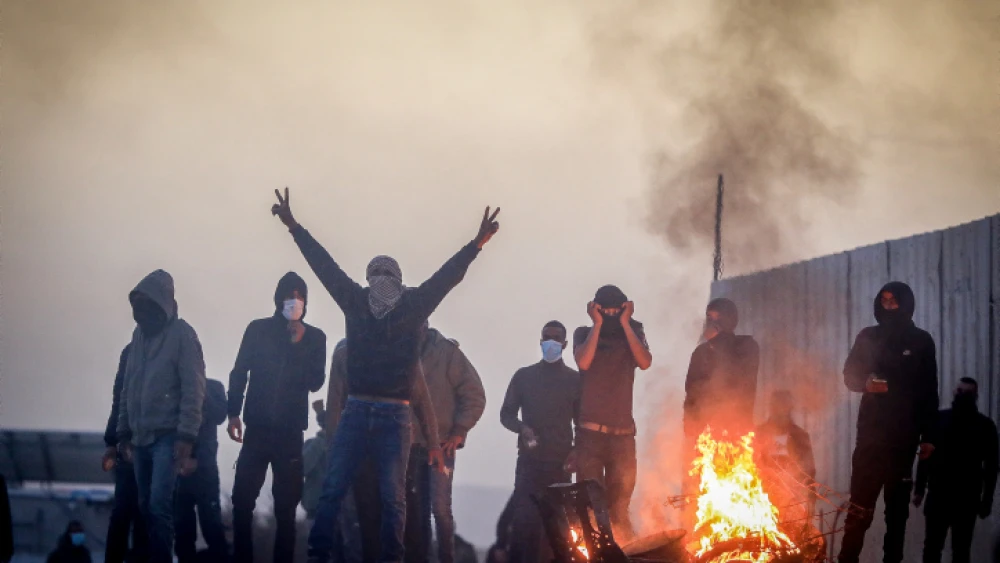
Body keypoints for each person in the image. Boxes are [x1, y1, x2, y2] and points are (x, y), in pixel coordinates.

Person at [269, 188, 500, 563]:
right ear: (368, 278)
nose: (380, 282)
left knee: (389, 497)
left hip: (392, 415)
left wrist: (476, 245)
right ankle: (320, 555)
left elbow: (446, 277)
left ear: (397, 279)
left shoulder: (393, 304)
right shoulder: (366, 301)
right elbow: (322, 264)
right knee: (340, 489)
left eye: (385, 276)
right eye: (375, 275)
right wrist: (294, 226)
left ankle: (383, 558)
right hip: (363, 412)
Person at [227, 271, 328, 563]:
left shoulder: (315, 338)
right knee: (242, 501)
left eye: (300, 296)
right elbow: (239, 371)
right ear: (278, 298)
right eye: (289, 295)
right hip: (257, 429)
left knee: (286, 509)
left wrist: (299, 345)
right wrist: (233, 412)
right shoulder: (258, 330)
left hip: (290, 433)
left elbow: (315, 382)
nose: (294, 301)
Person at [837, 281, 939, 563]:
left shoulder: (921, 341)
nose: (889, 305)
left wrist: (929, 437)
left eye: (894, 301)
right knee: (858, 512)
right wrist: (866, 383)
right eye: (884, 300)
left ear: (905, 303)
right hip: (869, 441)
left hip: (903, 442)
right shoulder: (867, 336)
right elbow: (849, 375)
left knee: (897, 517)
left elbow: (929, 391)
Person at [327, 338, 445, 563]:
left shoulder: (400, 350)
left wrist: (433, 443)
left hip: (393, 445)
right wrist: (334, 448)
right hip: (371, 445)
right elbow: (335, 402)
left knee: (396, 513)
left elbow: (421, 399)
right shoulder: (347, 351)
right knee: (375, 514)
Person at [117, 270, 206, 563]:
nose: (140, 310)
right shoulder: (138, 337)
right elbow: (129, 387)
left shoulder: (182, 334)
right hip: (139, 438)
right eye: (137, 304)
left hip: (168, 437)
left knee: (158, 506)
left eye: (146, 303)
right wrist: (123, 432)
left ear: (161, 302)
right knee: (145, 506)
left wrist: (187, 435)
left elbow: (194, 386)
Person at [572, 286, 652, 541]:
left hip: (623, 437)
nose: (609, 315)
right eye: (604, 310)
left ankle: (623, 551)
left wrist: (626, 323)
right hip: (590, 437)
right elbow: (583, 362)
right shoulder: (584, 333)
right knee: (591, 507)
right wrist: (597, 324)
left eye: (614, 310)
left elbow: (645, 361)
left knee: (620, 507)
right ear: (595, 309)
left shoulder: (633, 333)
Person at [404, 321, 487, 563]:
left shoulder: (447, 353)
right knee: (413, 511)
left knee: (440, 509)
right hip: (406, 445)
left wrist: (459, 430)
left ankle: (445, 559)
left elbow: (474, 394)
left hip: (441, 445)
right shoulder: (398, 349)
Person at [501, 321, 581, 563]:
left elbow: (582, 423)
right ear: (540, 341)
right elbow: (506, 414)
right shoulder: (524, 377)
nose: (551, 342)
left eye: (556, 338)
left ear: (564, 344)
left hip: (560, 465)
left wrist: (576, 451)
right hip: (529, 463)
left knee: (558, 529)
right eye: (547, 337)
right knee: (524, 524)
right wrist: (522, 428)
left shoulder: (575, 380)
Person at [914, 377, 999, 563]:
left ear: (975, 396)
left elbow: (992, 467)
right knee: (938, 549)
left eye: (967, 393)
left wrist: (987, 501)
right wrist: (919, 489)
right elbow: (925, 456)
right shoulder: (941, 420)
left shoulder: (984, 426)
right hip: (945, 496)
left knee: (955, 550)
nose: (963, 396)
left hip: (963, 498)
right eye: (961, 391)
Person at [683, 298, 760, 439]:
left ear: (729, 319)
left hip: (736, 428)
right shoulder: (700, 352)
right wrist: (689, 420)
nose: (713, 323)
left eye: (718, 317)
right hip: (705, 431)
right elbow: (692, 388)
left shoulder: (746, 346)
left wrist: (717, 340)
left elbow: (739, 376)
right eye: (709, 317)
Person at [174, 378, 229, 563]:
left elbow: (220, 415)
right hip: (178, 468)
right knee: (182, 527)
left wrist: (201, 391)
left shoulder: (213, 387)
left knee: (212, 524)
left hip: (205, 469)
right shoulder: (172, 386)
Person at [102, 344, 148, 563]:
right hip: (130, 444)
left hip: (151, 444)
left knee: (141, 514)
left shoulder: (173, 345)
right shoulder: (132, 351)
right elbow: (119, 399)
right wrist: (112, 442)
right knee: (124, 513)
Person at [754, 390, 817, 539]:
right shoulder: (758, 434)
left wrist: (810, 502)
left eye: (783, 406)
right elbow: (750, 466)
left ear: (790, 408)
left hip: (794, 500)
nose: (779, 410)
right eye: (776, 406)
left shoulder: (800, 436)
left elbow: (809, 472)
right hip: (765, 499)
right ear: (771, 408)